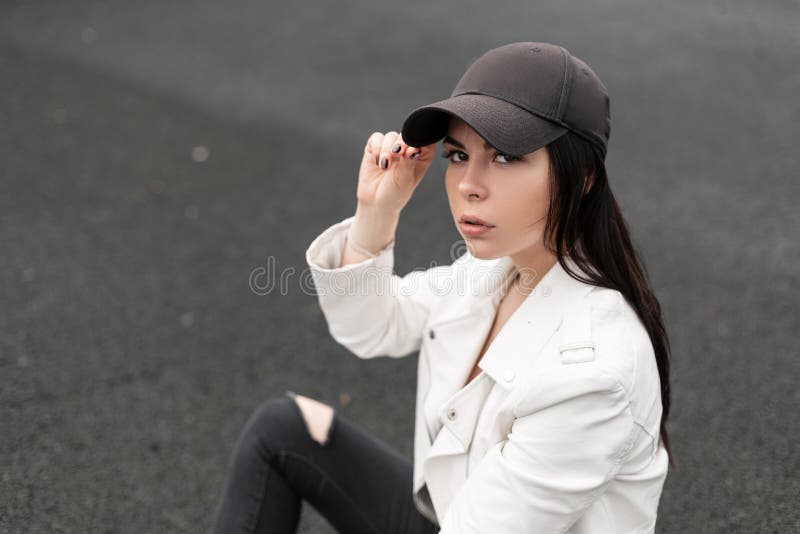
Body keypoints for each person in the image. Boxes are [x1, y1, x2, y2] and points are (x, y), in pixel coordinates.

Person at [211, 41, 674, 534]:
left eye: (505, 157)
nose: (468, 184)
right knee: (284, 430)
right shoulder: (493, 270)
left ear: (581, 178)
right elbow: (370, 328)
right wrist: (377, 212)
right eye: (458, 155)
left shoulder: (592, 373)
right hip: (455, 516)